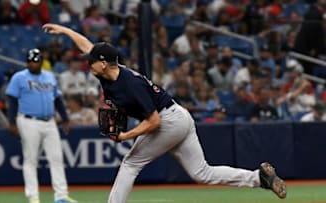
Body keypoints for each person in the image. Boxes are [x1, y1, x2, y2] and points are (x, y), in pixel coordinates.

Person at [42, 23, 287, 203]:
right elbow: (88, 46)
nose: (88, 62)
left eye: (93, 61)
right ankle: (259, 178)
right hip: (179, 115)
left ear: (103, 63)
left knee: (130, 164)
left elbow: (154, 122)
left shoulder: (129, 86)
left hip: (166, 121)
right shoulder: (111, 70)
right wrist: (65, 31)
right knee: (202, 172)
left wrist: (126, 136)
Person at [5, 48, 77, 203]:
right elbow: (11, 101)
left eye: (36, 61)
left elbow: (57, 99)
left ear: (41, 62)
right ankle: (33, 196)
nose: (33, 64)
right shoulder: (19, 77)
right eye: (30, 61)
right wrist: (11, 122)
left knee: (56, 158)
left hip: (49, 121)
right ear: (27, 62)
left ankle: (61, 196)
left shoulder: (49, 76)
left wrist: (64, 119)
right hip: (28, 121)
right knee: (31, 159)